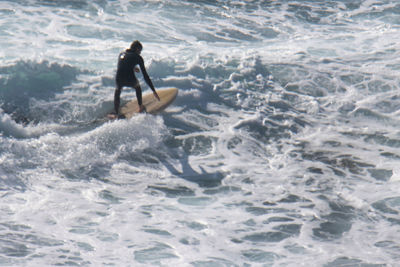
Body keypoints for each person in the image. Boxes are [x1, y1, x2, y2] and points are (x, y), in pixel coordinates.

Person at [114, 40, 160, 117]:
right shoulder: (138, 57)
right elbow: (145, 75)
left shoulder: (121, 54)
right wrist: (153, 90)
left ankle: (116, 112)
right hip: (130, 79)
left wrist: (133, 67)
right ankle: (140, 107)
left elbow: (124, 65)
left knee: (118, 89)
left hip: (118, 78)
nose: (140, 53)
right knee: (137, 87)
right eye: (140, 51)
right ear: (137, 49)